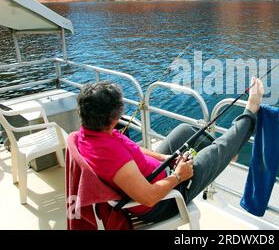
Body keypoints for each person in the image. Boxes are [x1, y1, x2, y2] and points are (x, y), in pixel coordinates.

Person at [76, 77, 264, 224]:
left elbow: (132, 148)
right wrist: (178, 176)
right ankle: (250, 110)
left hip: (158, 174)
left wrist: (165, 157)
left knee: (185, 131)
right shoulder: (108, 155)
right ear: (113, 118)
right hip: (163, 202)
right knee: (218, 150)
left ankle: (230, 152)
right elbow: (149, 198)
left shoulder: (93, 133)